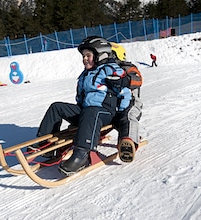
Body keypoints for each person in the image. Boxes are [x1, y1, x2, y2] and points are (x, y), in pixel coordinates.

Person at [30, 36, 132, 175]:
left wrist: (121, 113)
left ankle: (82, 155)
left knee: (91, 111)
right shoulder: (86, 73)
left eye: (88, 55)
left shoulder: (110, 70)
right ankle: (44, 143)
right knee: (57, 107)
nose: (84, 59)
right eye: (83, 56)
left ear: (100, 55)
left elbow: (125, 92)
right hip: (86, 112)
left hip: (105, 113)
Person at [111, 43, 143, 163]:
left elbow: (137, 80)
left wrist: (124, 80)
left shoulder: (128, 67)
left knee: (129, 117)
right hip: (113, 106)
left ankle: (128, 141)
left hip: (131, 103)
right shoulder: (104, 69)